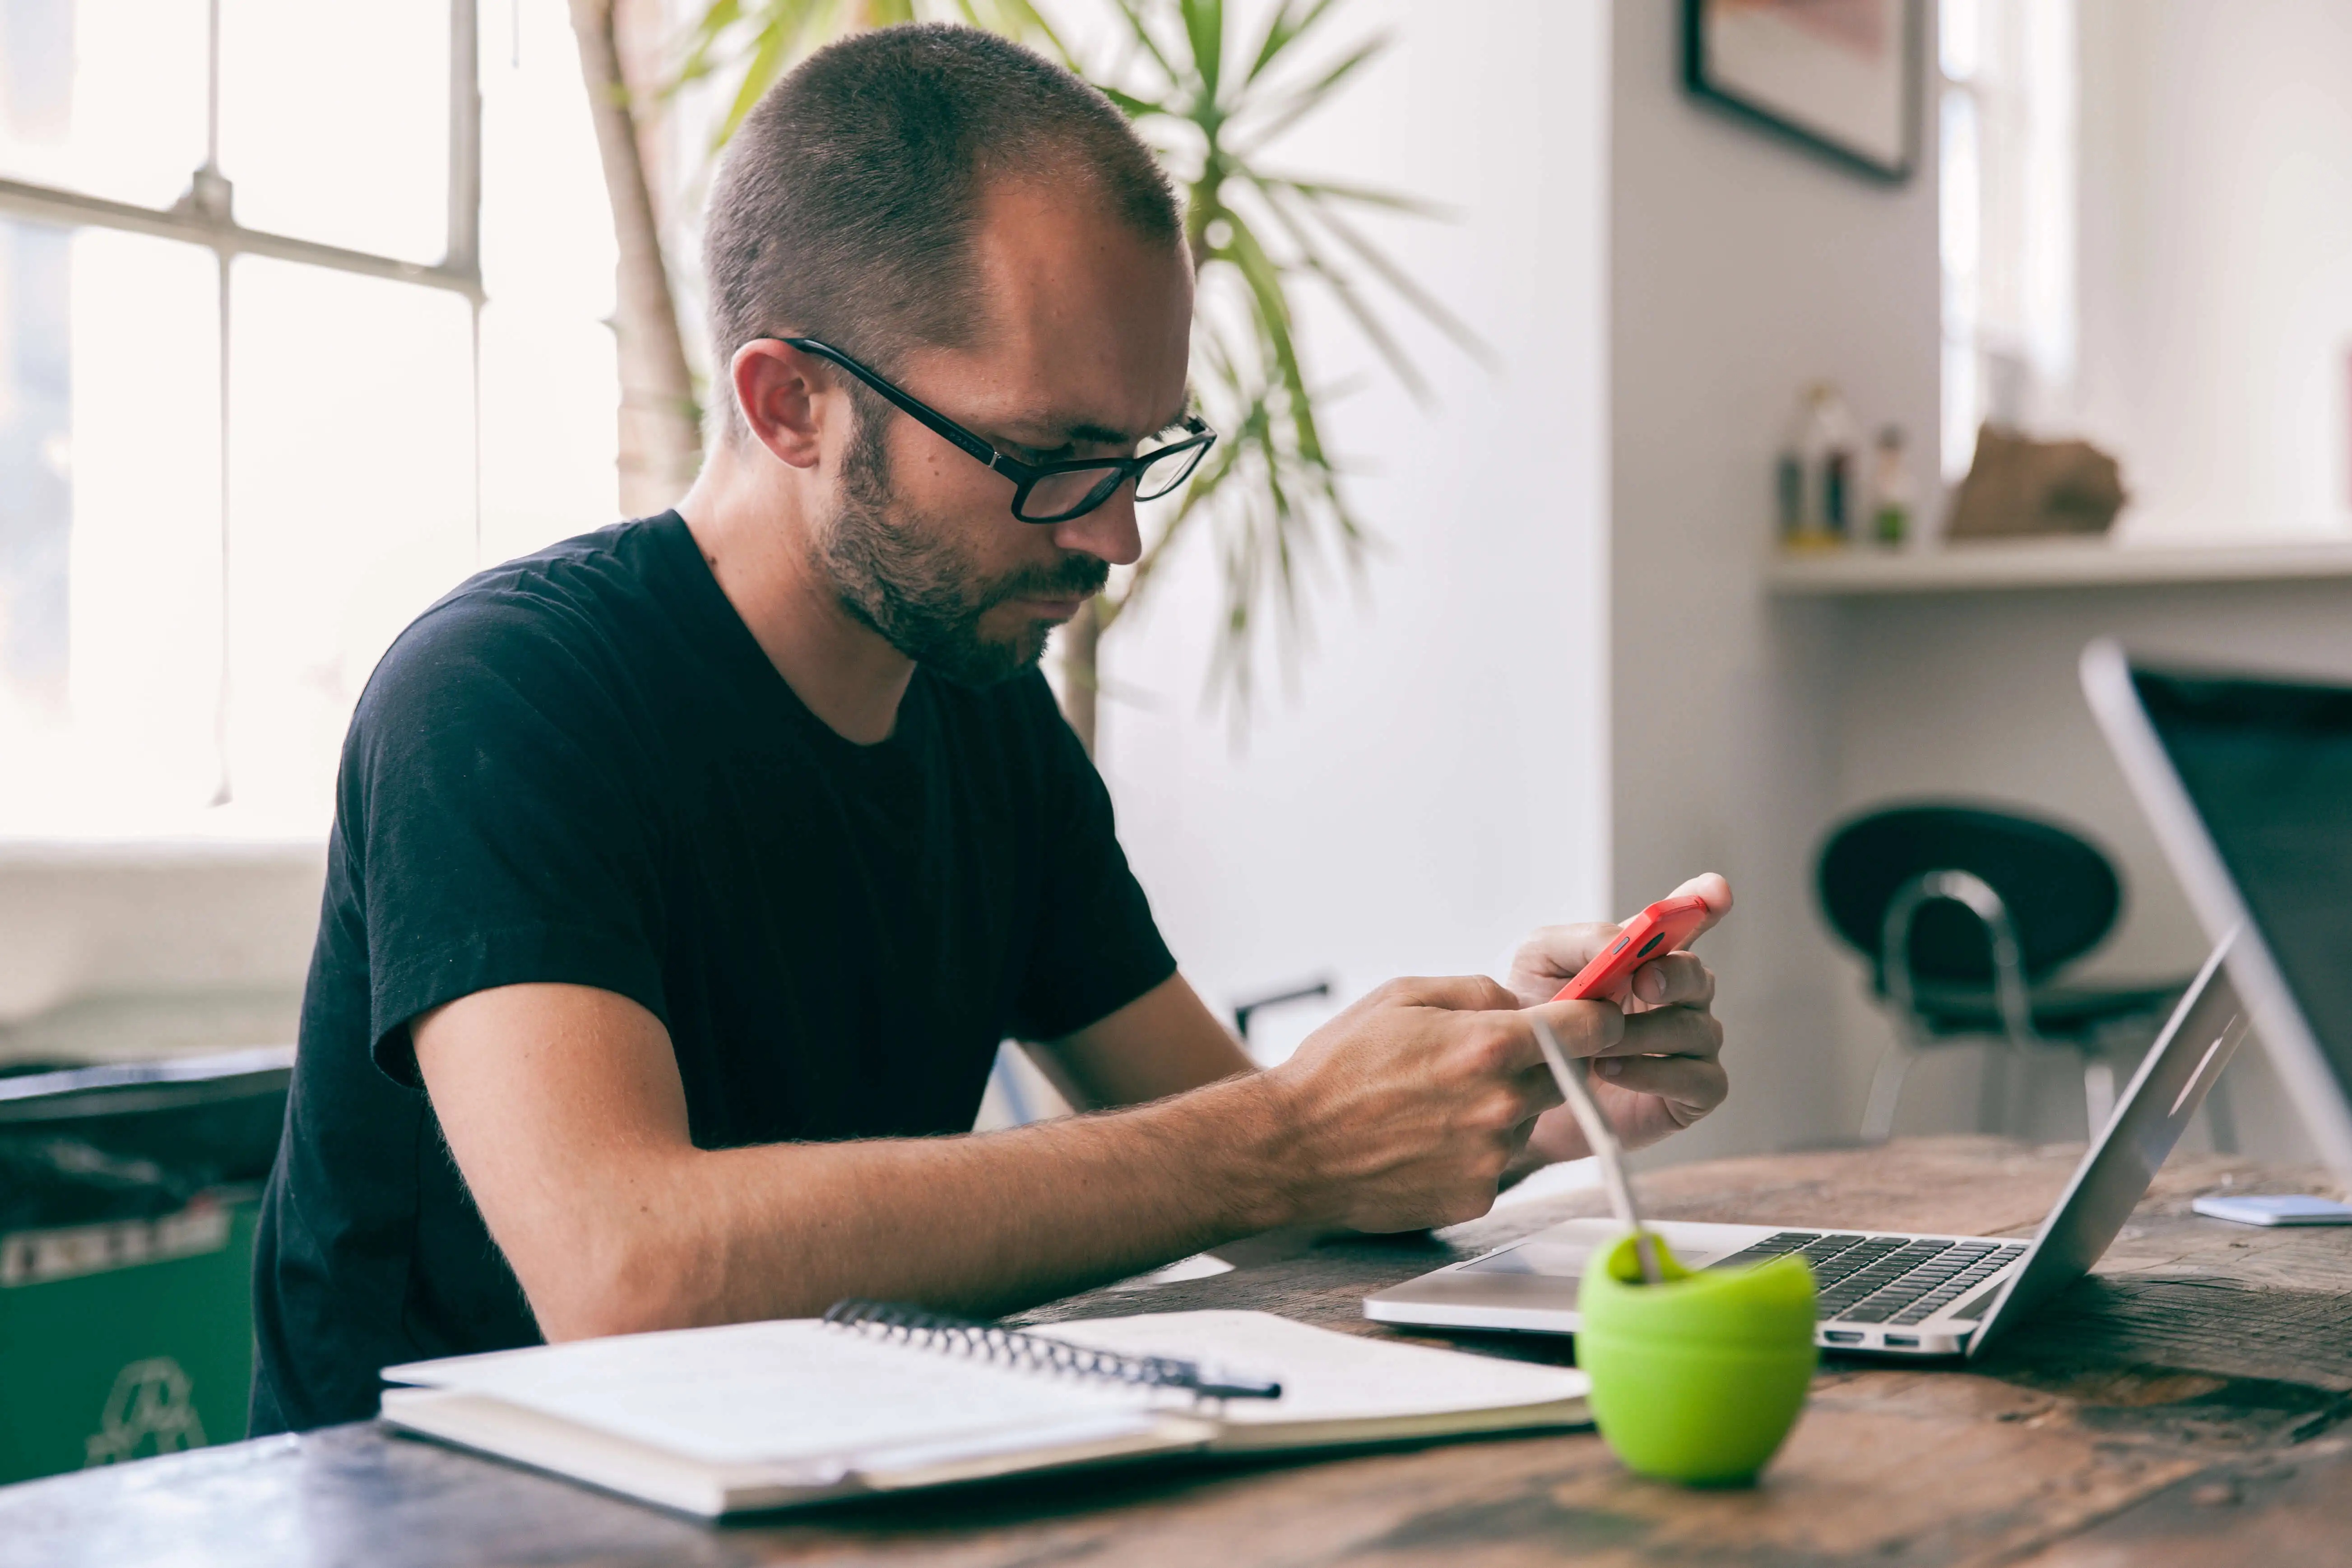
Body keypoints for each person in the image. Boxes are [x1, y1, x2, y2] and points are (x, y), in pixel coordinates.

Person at [246, 24, 1731, 1435]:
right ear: (791, 404)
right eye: (1050, 457)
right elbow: (629, 1277)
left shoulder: (982, 709)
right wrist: (1284, 1137)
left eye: (1140, 453)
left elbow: (1243, 1144)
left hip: (828, 1482)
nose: (1117, 536)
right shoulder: (503, 698)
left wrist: (1518, 1097)